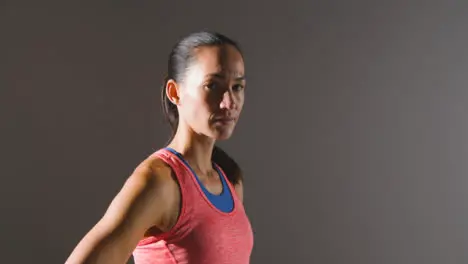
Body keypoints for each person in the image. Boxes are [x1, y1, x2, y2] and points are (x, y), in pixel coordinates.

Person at [65, 31, 253, 264]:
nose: (229, 103)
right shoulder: (159, 182)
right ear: (175, 92)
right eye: (212, 85)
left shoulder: (230, 181)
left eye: (237, 87)